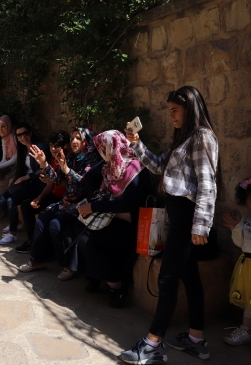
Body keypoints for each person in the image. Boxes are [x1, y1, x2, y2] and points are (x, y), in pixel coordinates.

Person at [120, 86, 219, 364]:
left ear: (190, 109)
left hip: (187, 218)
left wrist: (201, 226)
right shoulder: (183, 139)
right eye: (170, 111)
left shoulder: (201, 137)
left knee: (167, 278)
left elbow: (208, 184)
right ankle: (197, 339)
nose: (171, 116)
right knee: (190, 277)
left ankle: (153, 344)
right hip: (179, 216)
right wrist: (137, 143)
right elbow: (156, 165)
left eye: (175, 110)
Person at [79, 130, 152, 307]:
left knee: (92, 244)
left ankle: (117, 286)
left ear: (112, 147)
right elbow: (88, 178)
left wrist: (95, 206)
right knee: (81, 237)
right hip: (111, 218)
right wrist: (101, 195)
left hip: (131, 225)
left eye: (103, 148)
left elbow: (128, 205)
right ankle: (97, 277)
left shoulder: (135, 168)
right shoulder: (110, 163)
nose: (101, 152)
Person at [18, 127, 100, 276]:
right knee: (42, 221)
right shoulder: (71, 158)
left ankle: (68, 265)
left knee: (55, 225)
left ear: (86, 141)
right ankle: (37, 260)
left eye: (78, 138)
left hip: (82, 205)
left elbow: (82, 184)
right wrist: (44, 164)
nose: (74, 141)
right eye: (73, 137)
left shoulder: (92, 159)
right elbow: (56, 178)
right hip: (66, 203)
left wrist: (66, 169)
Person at [0, 123, 50, 245]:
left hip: (37, 183)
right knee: (1, 200)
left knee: (11, 201)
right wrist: (15, 178)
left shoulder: (41, 147)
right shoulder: (21, 148)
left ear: (30, 133)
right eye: (19, 135)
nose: (22, 137)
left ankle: (12, 234)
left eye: (25, 134)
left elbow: (44, 168)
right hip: (25, 182)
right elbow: (20, 167)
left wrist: (27, 177)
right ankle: (16, 223)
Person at [222, 177, 251, 345]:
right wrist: (236, 227)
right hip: (247, 266)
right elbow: (240, 243)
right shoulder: (246, 221)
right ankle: (246, 329)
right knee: (249, 300)